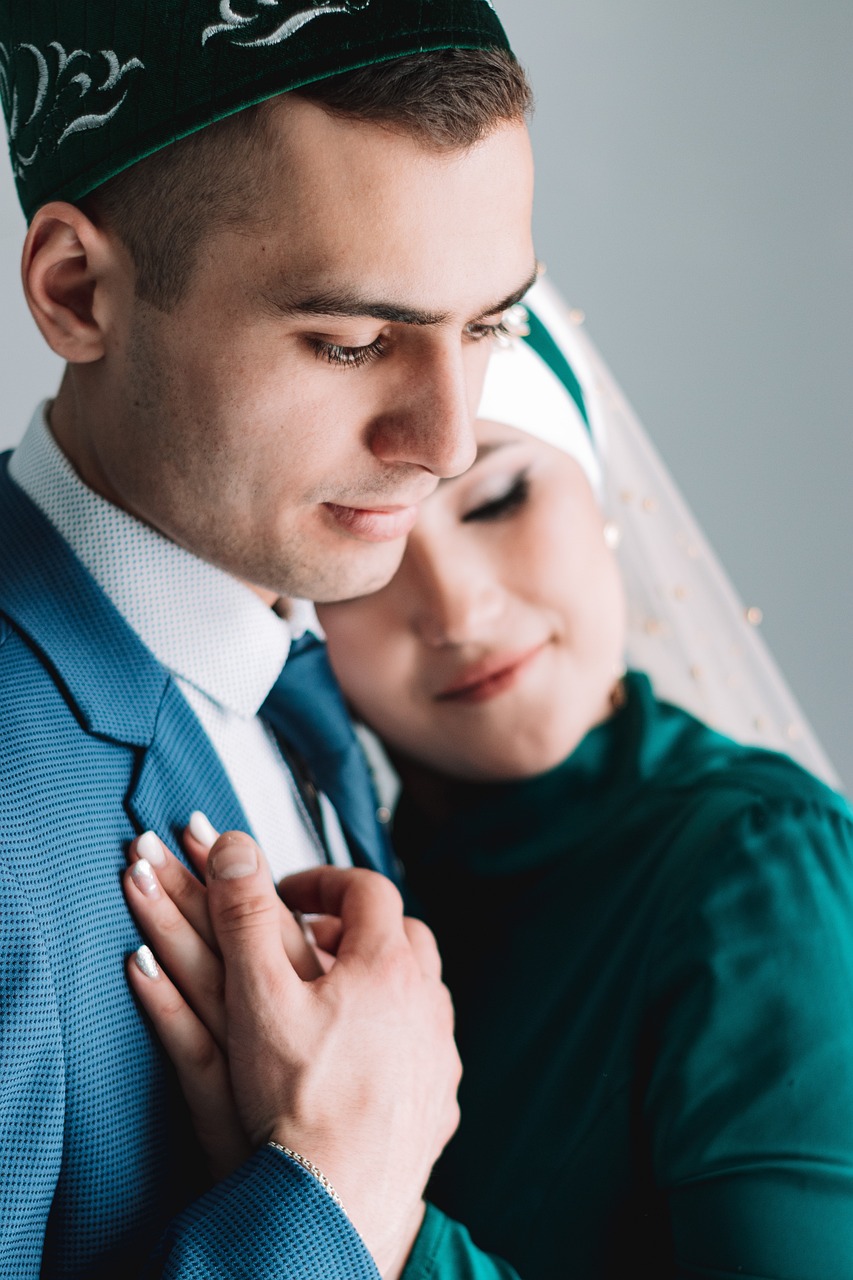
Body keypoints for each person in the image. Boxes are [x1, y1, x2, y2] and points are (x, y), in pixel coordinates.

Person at [126, 277, 853, 1278]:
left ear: (595, 492)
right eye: (370, 546)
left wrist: (360, 1212)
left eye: (501, 497)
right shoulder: (347, 858)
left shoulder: (754, 862)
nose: (456, 608)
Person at [0, 3, 540, 1277]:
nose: (449, 440)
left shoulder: (312, 655)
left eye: (488, 326)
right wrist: (334, 1190)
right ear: (78, 290)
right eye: (352, 340)